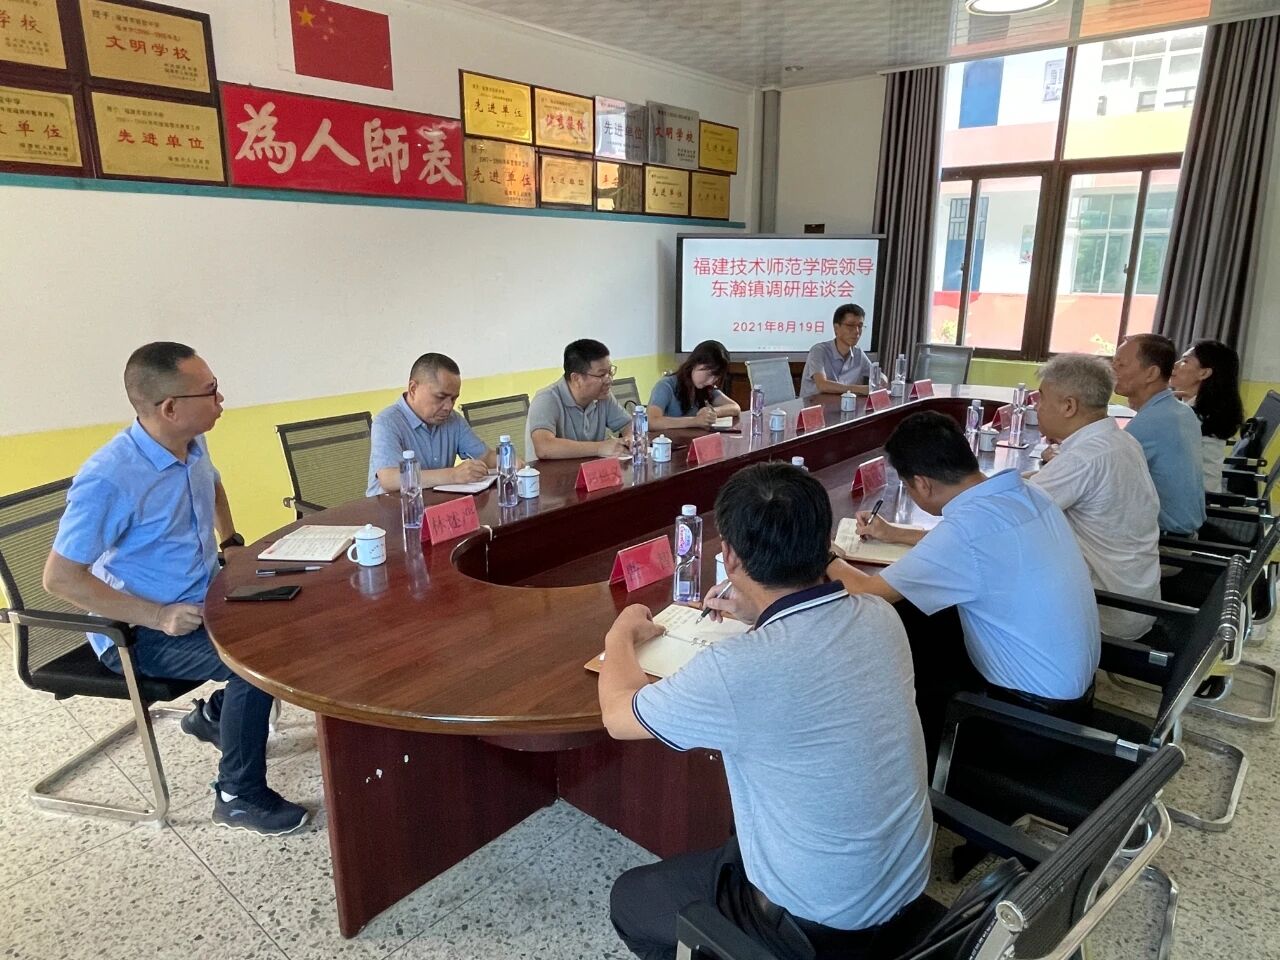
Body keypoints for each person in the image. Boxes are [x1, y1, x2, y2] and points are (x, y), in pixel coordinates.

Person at [602, 463, 934, 960]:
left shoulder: (738, 669)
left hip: (820, 920)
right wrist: (760, 612)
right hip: (903, 883)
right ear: (824, 543)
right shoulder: (880, 617)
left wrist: (621, 633)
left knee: (630, 900)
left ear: (730, 557)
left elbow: (618, 715)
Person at [43, 342, 308, 835]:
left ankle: (214, 718)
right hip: (135, 634)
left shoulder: (191, 441)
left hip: (204, 601)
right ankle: (237, 795)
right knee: (255, 665)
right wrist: (157, 615)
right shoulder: (109, 478)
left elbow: (213, 485)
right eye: (210, 391)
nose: (221, 399)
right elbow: (60, 577)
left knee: (294, 618)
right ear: (169, 407)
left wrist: (230, 542)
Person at [827, 412, 1099, 755]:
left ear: (922, 484)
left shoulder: (966, 532)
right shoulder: (1027, 494)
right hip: (1074, 700)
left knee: (905, 638)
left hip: (1028, 724)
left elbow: (867, 593)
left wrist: (823, 555)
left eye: (907, 487)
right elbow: (973, 545)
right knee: (930, 622)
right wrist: (895, 534)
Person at [1029, 354, 1160, 640]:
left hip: (1106, 612)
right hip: (1137, 600)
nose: (1037, 408)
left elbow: (1010, 512)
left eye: (1041, 398)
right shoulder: (1121, 440)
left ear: (1069, 406)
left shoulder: (1083, 459)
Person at [367, 352, 503, 497]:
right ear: (413, 389)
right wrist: (453, 475)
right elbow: (389, 479)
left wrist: (511, 462)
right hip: (391, 507)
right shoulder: (387, 422)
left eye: (453, 399)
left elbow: (486, 456)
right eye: (440, 397)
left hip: (435, 504)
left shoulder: (453, 420)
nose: (448, 407)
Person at [1112, 334, 1206, 535]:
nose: (1113, 370)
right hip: (1185, 531)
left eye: (1121, 364)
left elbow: (1101, 477)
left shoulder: (1152, 422)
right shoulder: (1180, 410)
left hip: (1165, 542)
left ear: (1151, 373)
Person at [526, 339, 634, 460]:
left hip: (590, 469)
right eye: (601, 375)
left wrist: (629, 439)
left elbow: (628, 424)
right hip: (551, 471)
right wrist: (600, 448)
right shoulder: (546, 399)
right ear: (576, 378)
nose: (609, 380)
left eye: (610, 372)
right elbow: (544, 447)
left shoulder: (602, 396)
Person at [1169, 340, 1245, 493]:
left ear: (1204, 373)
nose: (1175, 365)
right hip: (1200, 491)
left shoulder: (1192, 416)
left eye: (1185, 361)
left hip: (1194, 498)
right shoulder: (1205, 408)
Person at [645, 339, 741, 432]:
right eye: (709, 374)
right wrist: (695, 421)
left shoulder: (706, 388)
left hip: (693, 439)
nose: (711, 381)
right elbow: (651, 422)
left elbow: (735, 407)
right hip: (670, 441)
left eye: (716, 377)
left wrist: (712, 412)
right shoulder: (666, 386)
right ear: (694, 364)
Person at [799, 304, 874, 398]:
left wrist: (881, 380)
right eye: (850, 326)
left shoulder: (858, 353)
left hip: (842, 405)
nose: (857, 331)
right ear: (836, 328)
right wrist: (860, 389)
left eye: (860, 326)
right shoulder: (818, 351)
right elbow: (822, 385)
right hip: (814, 405)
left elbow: (878, 376)